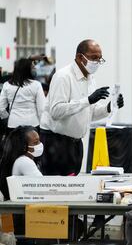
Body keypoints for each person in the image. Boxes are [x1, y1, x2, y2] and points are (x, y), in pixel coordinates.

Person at [40, 39, 124, 176]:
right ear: (80, 57)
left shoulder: (90, 79)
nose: (97, 62)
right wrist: (88, 100)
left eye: (100, 59)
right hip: (55, 143)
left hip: (75, 144)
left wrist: (109, 107)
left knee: (72, 190)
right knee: (56, 190)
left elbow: (89, 112)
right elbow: (56, 111)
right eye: (94, 58)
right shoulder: (63, 77)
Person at [0, 58, 46, 135]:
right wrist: (43, 125)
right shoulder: (36, 85)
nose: (34, 70)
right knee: (32, 146)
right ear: (27, 70)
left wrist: (9, 117)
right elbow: (42, 109)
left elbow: (1, 108)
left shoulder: (7, 85)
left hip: (13, 124)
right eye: (33, 68)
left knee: (15, 147)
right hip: (32, 124)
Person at [0, 126, 43, 201]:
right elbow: (44, 186)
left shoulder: (23, 160)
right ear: (24, 147)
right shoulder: (24, 161)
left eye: (39, 141)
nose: (40, 144)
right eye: (36, 142)